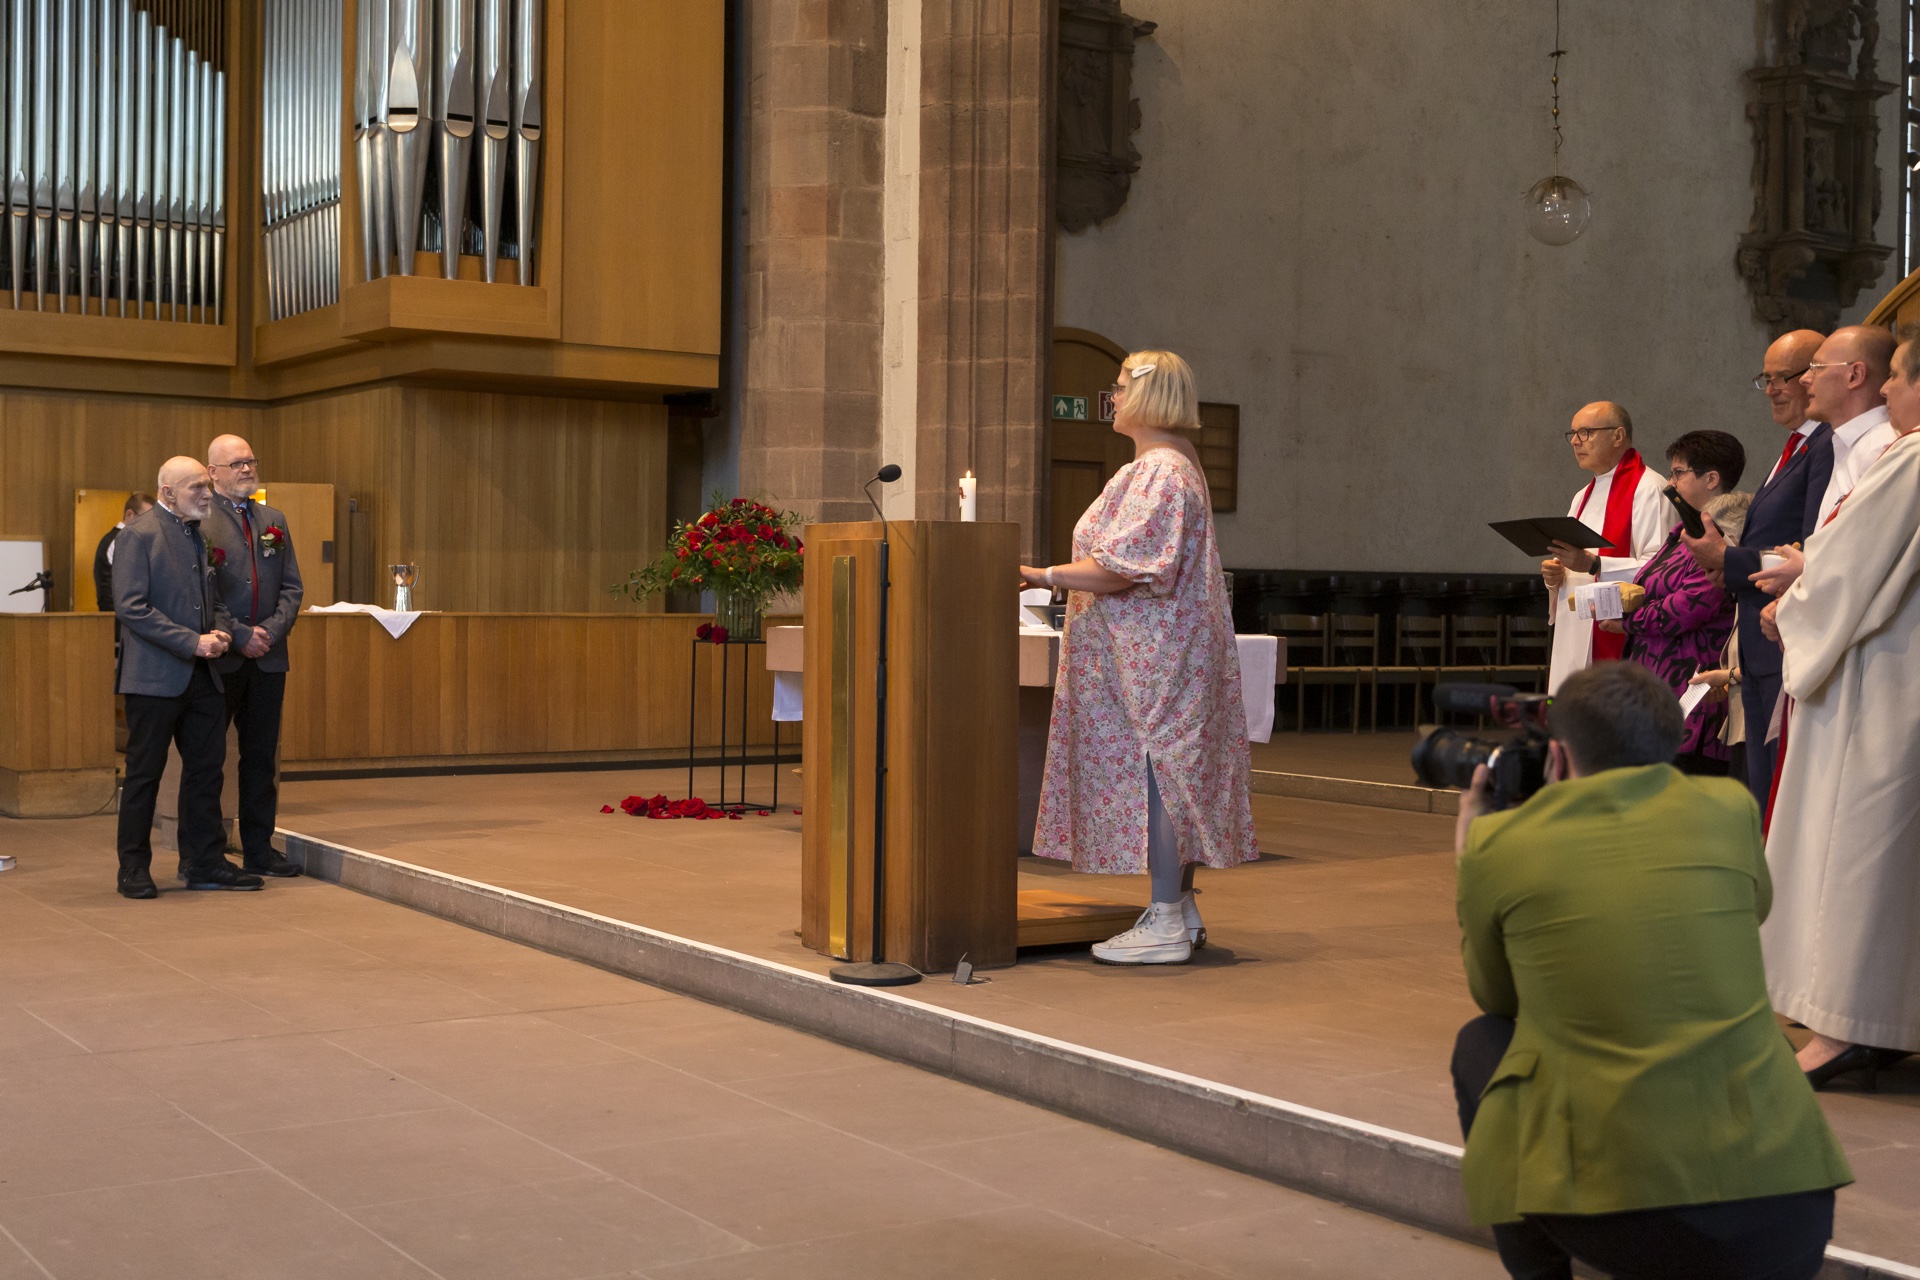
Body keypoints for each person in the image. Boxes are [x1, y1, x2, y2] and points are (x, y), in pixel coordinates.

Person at [1451, 661, 1852, 1280]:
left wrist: (1472, 850)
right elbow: (1756, 907)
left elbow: (1495, 996)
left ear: (1557, 757)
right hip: (1791, 1212)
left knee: (1481, 1043)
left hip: (1628, 1225)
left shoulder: (1504, 841)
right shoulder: (1728, 807)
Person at [1019, 350, 1257, 965]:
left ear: (1152, 397)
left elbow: (1123, 568)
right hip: (1154, 650)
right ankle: (1178, 907)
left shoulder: (1159, 471)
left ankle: (1165, 922)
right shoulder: (1169, 467)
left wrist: (1041, 573)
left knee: (1162, 770)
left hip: (1154, 656)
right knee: (1166, 769)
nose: (1112, 396)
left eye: (1122, 386)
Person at [1758, 333, 1920, 1089]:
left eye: (1896, 377)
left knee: (1858, 851)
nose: (1889, 393)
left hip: (1882, 682)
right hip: (1897, 677)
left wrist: (1793, 604)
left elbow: (1847, 565)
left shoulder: (1913, 459)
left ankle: (1846, 1024)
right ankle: (1886, 1019)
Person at [1679, 330, 1832, 803]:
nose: (1772, 388)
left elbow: (1813, 548)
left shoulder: (1824, 447)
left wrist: (1730, 559)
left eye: (1783, 377)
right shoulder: (1794, 448)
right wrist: (1725, 567)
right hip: (1760, 642)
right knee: (1765, 792)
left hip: (1782, 635)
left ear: (1818, 374)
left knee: (1780, 794)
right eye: (1765, 378)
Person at [112, 458, 263, 898]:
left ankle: (204, 862)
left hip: (202, 677)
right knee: (145, 775)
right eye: (196, 487)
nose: (206, 494)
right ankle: (133, 869)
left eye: (206, 486)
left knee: (206, 772)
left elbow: (209, 601)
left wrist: (220, 632)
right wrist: (191, 641)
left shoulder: (196, 534)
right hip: (154, 679)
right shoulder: (139, 537)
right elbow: (132, 607)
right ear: (168, 492)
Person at [200, 434, 305, 880]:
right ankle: (207, 851)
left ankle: (260, 848)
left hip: (268, 657)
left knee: (261, 758)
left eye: (251, 461)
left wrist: (270, 631)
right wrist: (240, 634)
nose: (247, 469)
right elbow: (206, 592)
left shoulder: (273, 520)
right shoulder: (201, 522)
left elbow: (292, 587)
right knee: (208, 760)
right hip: (224, 657)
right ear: (213, 473)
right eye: (237, 463)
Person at [1610, 430, 1744, 775]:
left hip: (1693, 689)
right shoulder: (1681, 533)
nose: (1670, 482)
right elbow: (1647, 585)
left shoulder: (1724, 535)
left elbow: (1689, 607)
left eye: (1678, 473)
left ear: (1711, 479)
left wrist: (1625, 621)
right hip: (1654, 685)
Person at [1540, 402, 1669, 693]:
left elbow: (1661, 570)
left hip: (1617, 630)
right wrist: (1556, 577)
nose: (1575, 441)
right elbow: (1576, 563)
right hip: (1574, 630)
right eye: (1572, 434)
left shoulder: (1648, 488)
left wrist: (1596, 566)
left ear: (1618, 435)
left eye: (1585, 432)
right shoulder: (1582, 496)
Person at [93, 492, 155, 610]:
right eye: (146, 519)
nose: (150, 525)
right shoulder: (122, 540)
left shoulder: (120, 538)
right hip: (119, 616)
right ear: (129, 514)